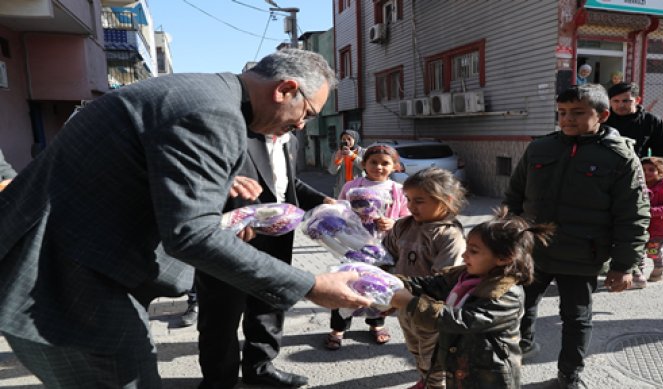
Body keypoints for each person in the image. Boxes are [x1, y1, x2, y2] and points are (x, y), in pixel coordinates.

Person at [0, 48, 371, 389]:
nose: (303, 125)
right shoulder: (213, 113)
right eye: (306, 113)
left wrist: (220, 186)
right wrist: (310, 285)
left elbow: (144, 174)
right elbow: (190, 234)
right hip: (64, 280)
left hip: (82, 265)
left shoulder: (205, 95)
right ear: (286, 89)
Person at [503, 84, 650, 389]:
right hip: (533, 250)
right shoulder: (539, 148)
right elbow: (515, 196)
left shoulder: (620, 157)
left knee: (575, 318)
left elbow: (633, 215)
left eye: (578, 112)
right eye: (562, 112)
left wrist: (624, 266)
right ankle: (521, 348)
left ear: (603, 115)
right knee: (517, 306)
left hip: (583, 254)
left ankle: (569, 375)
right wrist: (508, 237)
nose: (567, 119)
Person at [197, 130, 335, 389]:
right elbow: (201, 180)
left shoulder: (291, 140)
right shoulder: (234, 131)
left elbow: (287, 184)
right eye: (305, 109)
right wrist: (228, 217)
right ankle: (219, 380)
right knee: (221, 315)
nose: (304, 120)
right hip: (231, 239)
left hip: (278, 239)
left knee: (269, 308)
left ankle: (260, 368)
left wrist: (323, 200)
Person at [390, 211, 555, 389]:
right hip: (460, 367)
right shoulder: (464, 276)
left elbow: (459, 320)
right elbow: (430, 284)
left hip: (489, 378)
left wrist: (410, 303)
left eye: (473, 251)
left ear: (503, 258)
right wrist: (390, 283)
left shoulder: (506, 295)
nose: (464, 255)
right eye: (467, 248)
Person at [382, 167, 468, 389]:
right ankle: (426, 378)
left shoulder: (449, 235)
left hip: (429, 309)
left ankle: (434, 383)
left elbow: (445, 280)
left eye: (419, 201)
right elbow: (386, 255)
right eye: (408, 199)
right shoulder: (403, 225)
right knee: (415, 348)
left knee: (433, 356)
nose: (410, 206)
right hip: (403, 304)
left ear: (445, 200)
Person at [325, 144, 410, 350]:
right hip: (354, 248)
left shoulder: (397, 190)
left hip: (385, 250)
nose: (378, 167)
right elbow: (339, 211)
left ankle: (376, 324)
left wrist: (394, 223)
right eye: (373, 162)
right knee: (347, 285)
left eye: (385, 163)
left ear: (395, 167)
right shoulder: (351, 187)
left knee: (377, 286)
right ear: (363, 163)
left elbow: (409, 218)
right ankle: (338, 328)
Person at [607, 82, 663, 160]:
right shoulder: (602, 119)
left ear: (637, 100)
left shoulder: (651, 121)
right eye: (616, 101)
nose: (621, 105)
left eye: (626, 101)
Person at [328, 129, 364, 197]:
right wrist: (338, 159)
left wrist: (352, 155)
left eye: (349, 139)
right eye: (343, 139)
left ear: (355, 139)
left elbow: (365, 167)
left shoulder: (363, 152)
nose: (346, 141)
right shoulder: (337, 153)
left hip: (359, 189)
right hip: (342, 190)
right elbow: (332, 171)